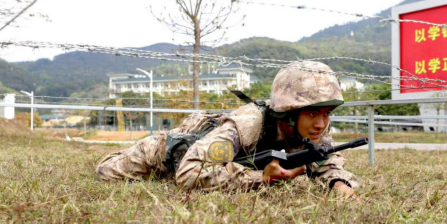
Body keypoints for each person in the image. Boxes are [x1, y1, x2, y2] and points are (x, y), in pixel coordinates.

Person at [96, 61, 359, 195]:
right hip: (165, 152)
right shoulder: (246, 125)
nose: (322, 123)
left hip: (214, 153)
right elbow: (189, 175)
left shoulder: (313, 127)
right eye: (313, 112)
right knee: (107, 171)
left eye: (327, 113)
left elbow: (326, 158)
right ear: (288, 113)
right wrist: (261, 179)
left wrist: (339, 182)